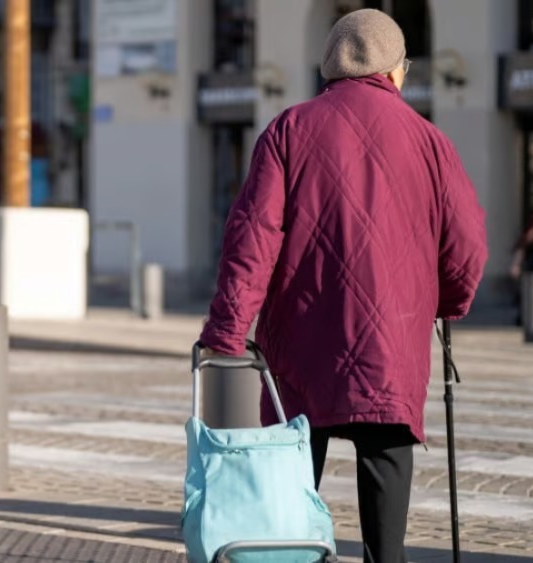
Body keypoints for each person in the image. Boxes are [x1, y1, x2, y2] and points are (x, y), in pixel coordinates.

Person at [198, 9, 487, 562]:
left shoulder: (288, 128)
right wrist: (449, 300)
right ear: (397, 71)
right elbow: (468, 242)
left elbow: (251, 239)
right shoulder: (431, 142)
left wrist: (227, 331)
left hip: (301, 352)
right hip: (393, 348)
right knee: (386, 527)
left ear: (329, 65)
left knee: (284, 510)